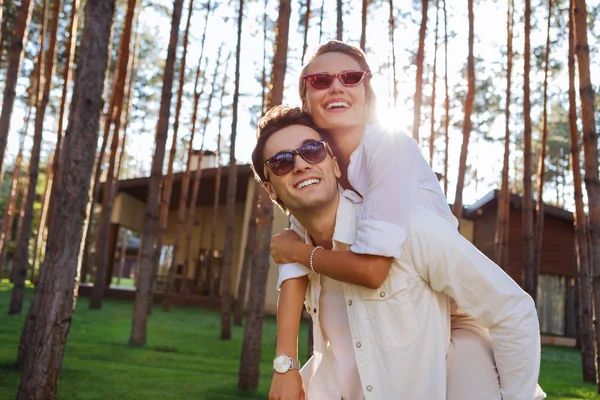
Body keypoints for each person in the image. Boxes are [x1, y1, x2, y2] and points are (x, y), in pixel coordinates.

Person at [253, 105, 542, 400]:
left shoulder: (407, 227)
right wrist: (285, 368)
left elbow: (512, 310)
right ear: (270, 190)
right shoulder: (296, 247)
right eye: (282, 162)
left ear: (335, 165)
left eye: (312, 150)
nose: (301, 165)